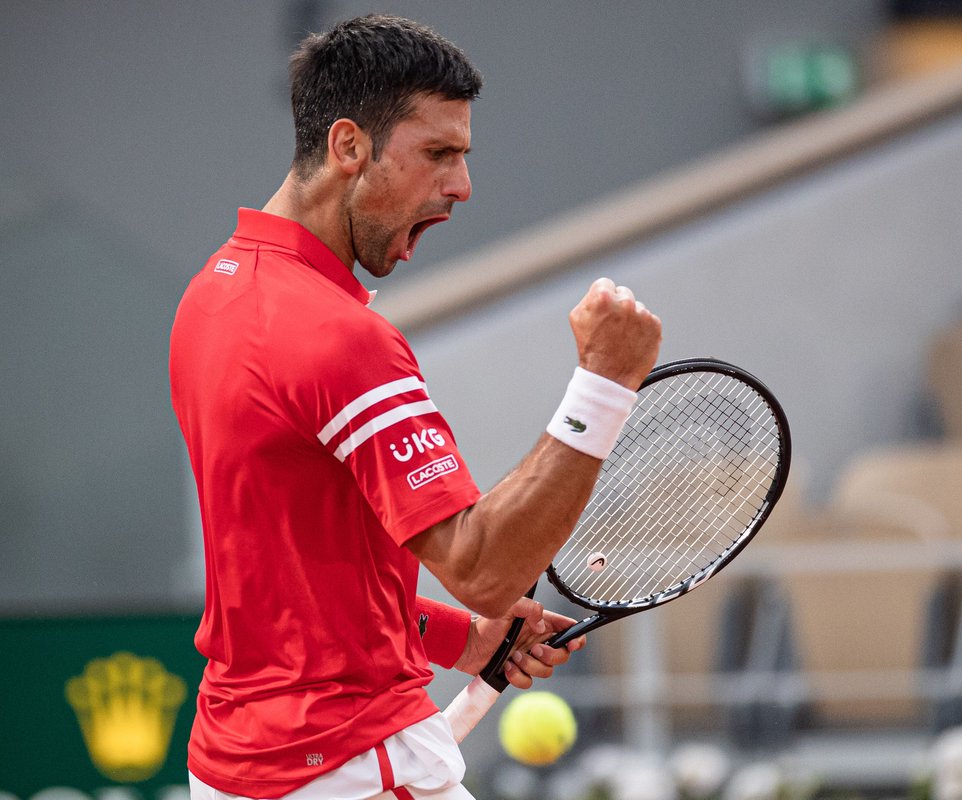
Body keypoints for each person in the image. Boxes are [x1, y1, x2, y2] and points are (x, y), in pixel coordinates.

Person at [168, 14, 661, 800]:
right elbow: (485, 567)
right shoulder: (338, 338)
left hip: (238, 765)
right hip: (349, 767)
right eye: (438, 154)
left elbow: (294, 588)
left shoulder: (212, 297)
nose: (462, 186)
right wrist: (606, 384)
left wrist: (466, 641)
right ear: (348, 147)